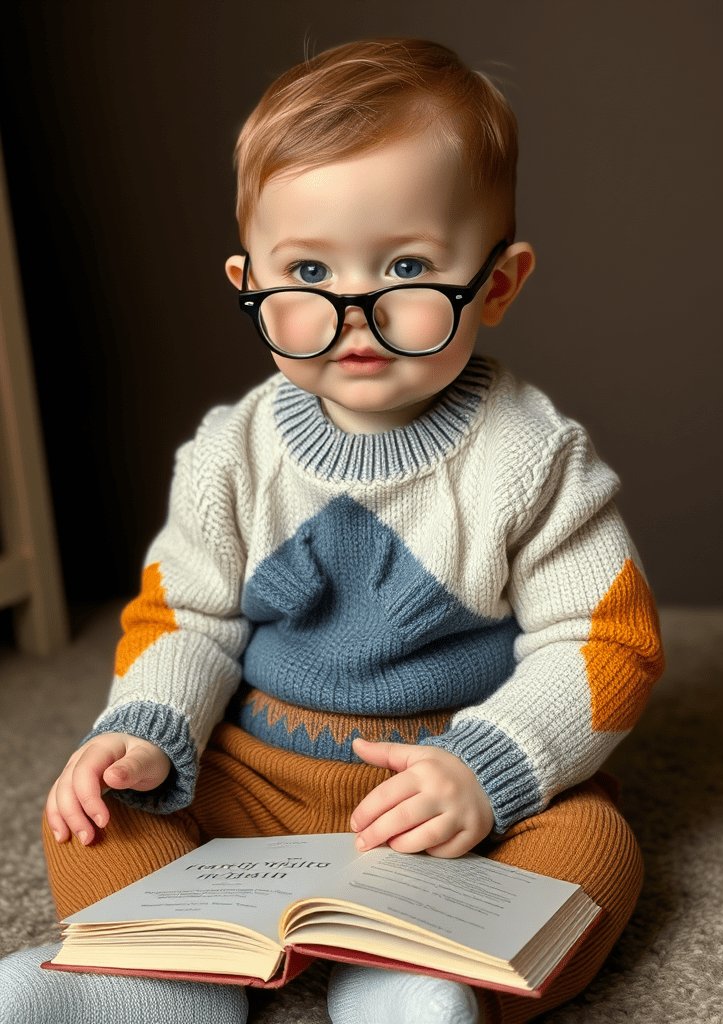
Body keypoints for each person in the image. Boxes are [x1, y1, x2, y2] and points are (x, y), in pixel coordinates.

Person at [0, 36, 664, 1024]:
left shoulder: (533, 455)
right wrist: (146, 730)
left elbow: (604, 643)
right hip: (258, 777)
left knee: (594, 848)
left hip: (449, 787)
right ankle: (162, 980)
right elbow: (186, 618)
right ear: (249, 280)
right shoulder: (231, 454)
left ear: (497, 283)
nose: (354, 311)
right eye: (308, 269)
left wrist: (487, 771)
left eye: (406, 266)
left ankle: (427, 982)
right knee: (91, 812)